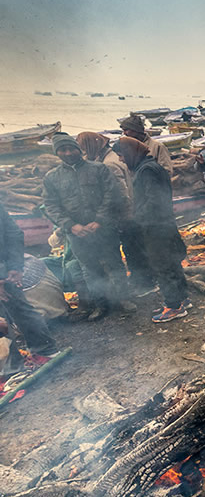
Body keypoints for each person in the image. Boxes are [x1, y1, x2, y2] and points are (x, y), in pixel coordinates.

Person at [43, 133, 133, 320]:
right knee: (90, 269)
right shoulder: (52, 177)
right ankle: (101, 305)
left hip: (104, 228)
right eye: (63, 150)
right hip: (77, 234)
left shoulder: (99, 169)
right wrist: (71, 225)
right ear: (57, 153)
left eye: (71, 148)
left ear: (79, 149)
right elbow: (51, 205)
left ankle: (123, 299)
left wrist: (99, 220)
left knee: (114, 263)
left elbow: (112, 195)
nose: (68, 153)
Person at [116, 137, 190, 323]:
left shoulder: (147, 170)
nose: (121, 160)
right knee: (171, 263)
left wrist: (137, 220)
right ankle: (181, 300)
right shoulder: (150, 166)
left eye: (122, 155)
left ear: (131, 152)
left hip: (155, 227)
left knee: (162, 266)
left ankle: (173, 306)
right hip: (163, 224)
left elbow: (153, 201)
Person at [76, 131, 157, 296]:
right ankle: (144, 281)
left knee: (133, 250)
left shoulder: (109, 164)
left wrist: (122, 218)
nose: (83, 152)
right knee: (137, 249)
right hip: (131, 213)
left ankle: (144, 284)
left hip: (126, 216)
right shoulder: (112, 157)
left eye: (84, 148)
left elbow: (121, 194)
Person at [0, 205, 58, 361]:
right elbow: (14, 233)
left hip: (5, 271)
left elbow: (12, 233)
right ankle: (44, 350)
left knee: (16, 307)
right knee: (19, 308)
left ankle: (11, 363)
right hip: (8, 268)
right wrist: (14, 266)